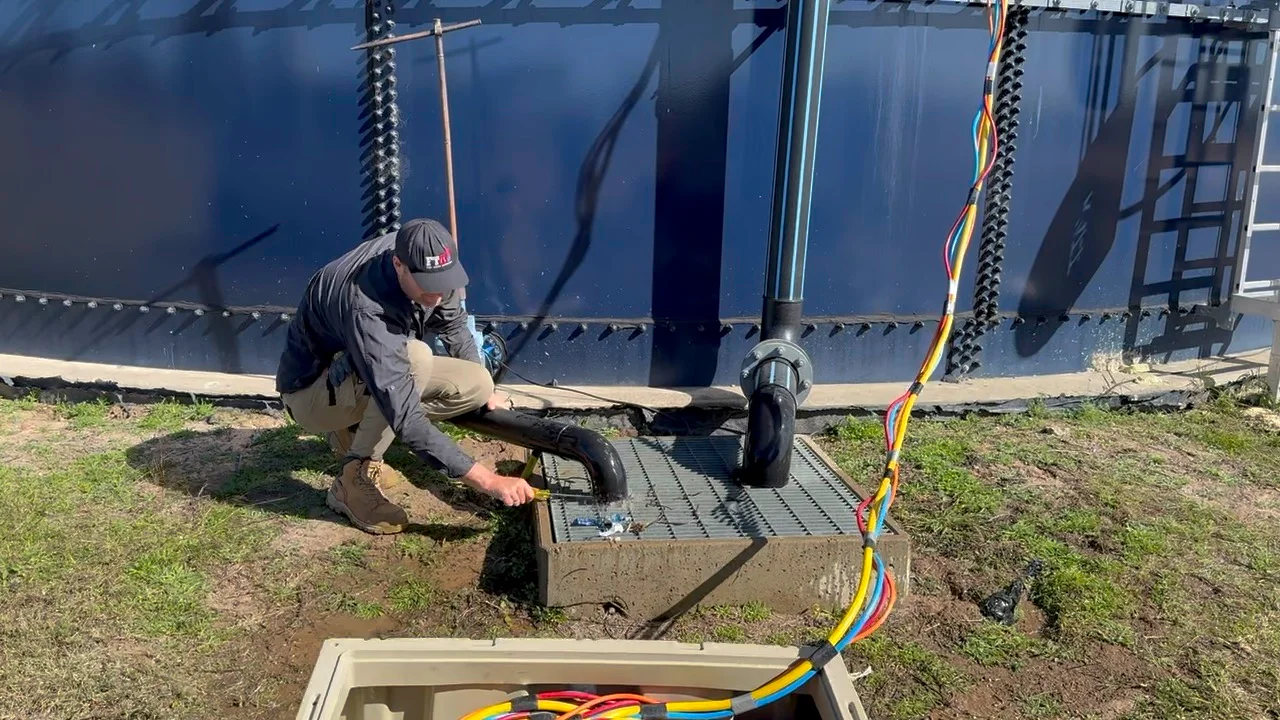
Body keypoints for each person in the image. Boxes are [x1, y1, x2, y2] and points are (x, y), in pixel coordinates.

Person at [275, 218, 537, 535]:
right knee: (415, 358)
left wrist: (488, 395)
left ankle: (355, 430)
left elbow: (454, 328)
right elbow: (407, 419)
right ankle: (353, 478)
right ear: (398, 264)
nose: (438, 295)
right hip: (310, 395)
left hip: (352, 374)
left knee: (477, 383)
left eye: (445, 283)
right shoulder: (366, 305)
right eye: (428, 286)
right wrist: (488, 480)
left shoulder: (433, 262)